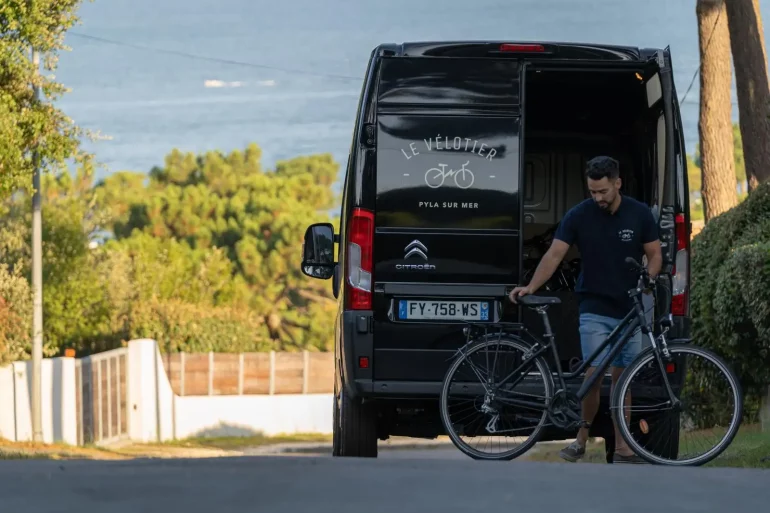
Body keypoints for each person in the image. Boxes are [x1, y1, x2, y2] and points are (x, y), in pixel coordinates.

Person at [509, 156, 662, 464]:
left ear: (617, 184)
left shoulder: (639, 214)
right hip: (594, 306)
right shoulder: (579, 215)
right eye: (592, 191)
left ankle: (623, 447)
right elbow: (554, 255)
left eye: (603, 191)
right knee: (593, 375)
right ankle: (581, 439)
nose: (598, 198)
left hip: (628, 308)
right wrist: (531, 287)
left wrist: (648, 279)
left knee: (623, 380)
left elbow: (655, 254)